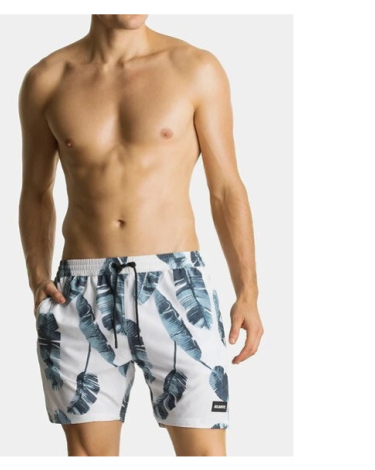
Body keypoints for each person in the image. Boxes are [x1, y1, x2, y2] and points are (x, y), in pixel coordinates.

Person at [18, 14, 264, 457]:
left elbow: (226, 188)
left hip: (176, 283)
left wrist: (248, 291)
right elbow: (36, 191)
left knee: (204, 455)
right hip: (79, 292)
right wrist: (37, 277)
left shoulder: (195, 68)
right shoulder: (47, 79)